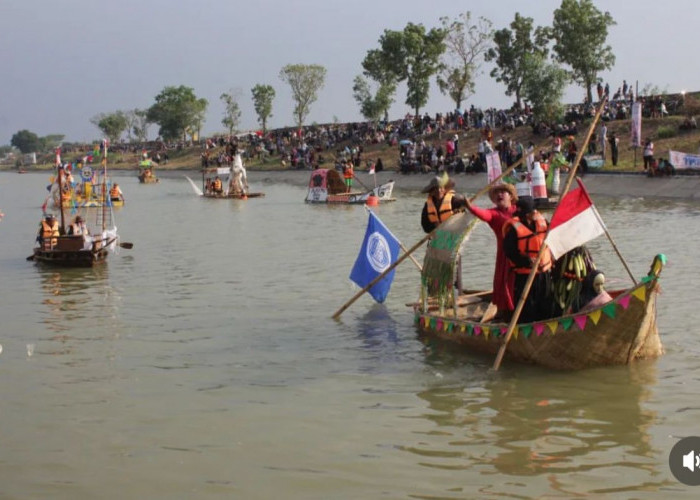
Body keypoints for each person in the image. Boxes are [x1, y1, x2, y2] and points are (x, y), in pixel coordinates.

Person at [464, 183, 518, 320]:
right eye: (497, 193)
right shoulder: (494, 214)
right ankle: (504, 313)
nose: (500, 194)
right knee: (504, 285)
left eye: (503, 192)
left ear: (511, 196)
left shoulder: (519, 210)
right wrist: (470, 207)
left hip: (523, 255)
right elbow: (484, 214)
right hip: (505, 257)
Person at [502, 197, 554, 323]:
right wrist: (526, 261)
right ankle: (525, 330)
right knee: (527, 307)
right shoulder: (514, 229)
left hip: (543, 274)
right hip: (525, 275)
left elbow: (552, 240)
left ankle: (545, 327)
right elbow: (509, 251)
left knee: (546, 304)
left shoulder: (543, 223)